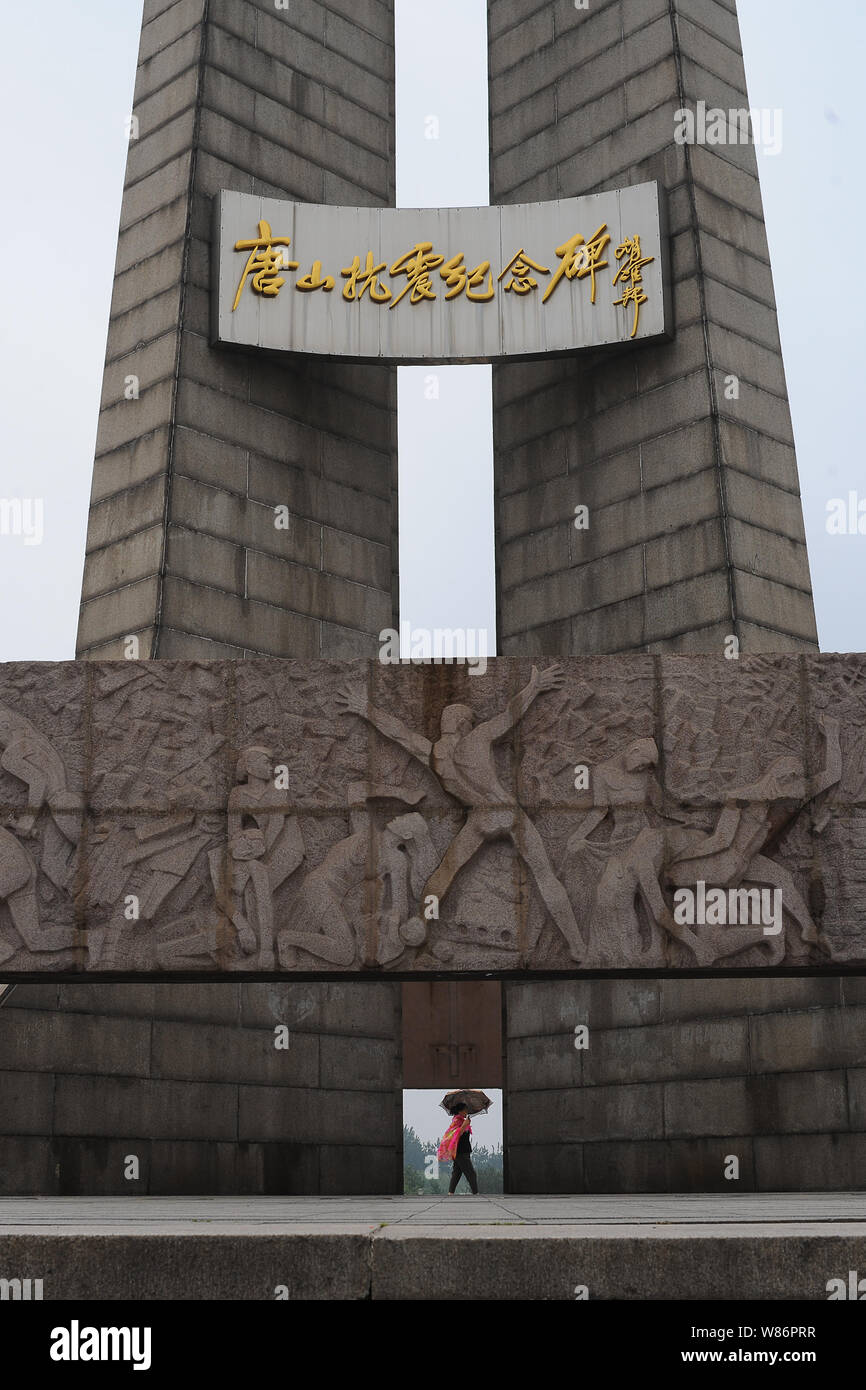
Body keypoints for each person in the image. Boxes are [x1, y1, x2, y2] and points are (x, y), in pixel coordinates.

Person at [446, 1105, 478, 1196]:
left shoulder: (462, 1121)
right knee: (471, 1173)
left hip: (463, 1150)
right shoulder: (457, 1121)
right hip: (461, 1152)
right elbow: (457, 1134)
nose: (466, 1112)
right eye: (465, 1110)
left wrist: (466, 1123)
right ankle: (476, 1193)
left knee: (457, 1172)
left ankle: (450, 1192)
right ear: (460, 1111)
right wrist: (465, 1124)